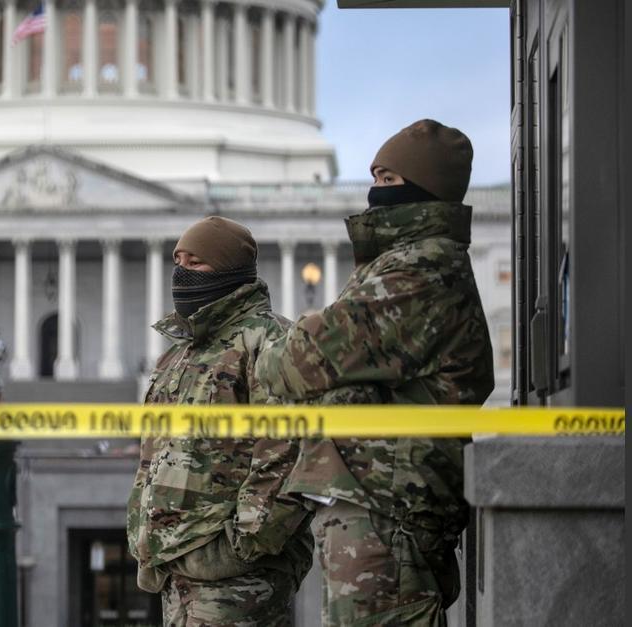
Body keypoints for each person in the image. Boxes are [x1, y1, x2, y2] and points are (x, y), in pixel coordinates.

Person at [255, 119, 495, 626]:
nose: (375, 192)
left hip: (390, 506)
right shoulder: (403, 263)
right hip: (380, 501)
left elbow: (298, 362)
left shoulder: (420, 270)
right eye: (375, 177)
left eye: (388, 180)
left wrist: (297, 344)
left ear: (424, 187)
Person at [127, 216, 315, 626]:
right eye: (178, 261)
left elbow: (287, 454)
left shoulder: (270, 340)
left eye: (196, 263)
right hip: (177, 569)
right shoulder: (178, 355)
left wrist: (238, 547)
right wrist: (144, 537)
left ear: (230, 268)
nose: (181, 273)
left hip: (239, 576)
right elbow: (152, 455)